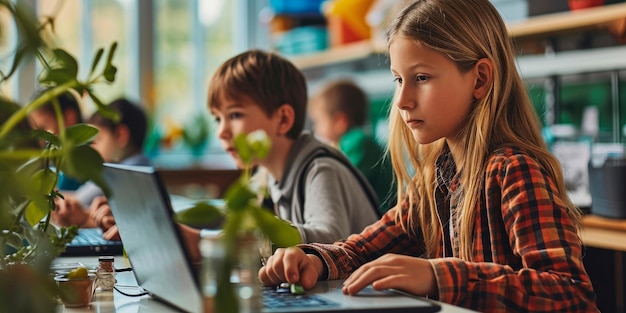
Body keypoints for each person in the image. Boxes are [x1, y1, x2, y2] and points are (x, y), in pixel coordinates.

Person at [257, 0, 599, 312]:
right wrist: (312, 258)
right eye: (398, 80)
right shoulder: (437, 177)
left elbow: (570, 294)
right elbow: (361, 250)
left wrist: (438, 276)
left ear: (479, 79)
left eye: (421, 77)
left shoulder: (514, 170)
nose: (403, 100)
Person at [206, 50, 380, 244]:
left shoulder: (320, 169)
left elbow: (330, 237)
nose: (221, 132)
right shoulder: (268, 175)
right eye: (217, 118)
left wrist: (257, 234)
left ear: (283, 119)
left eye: (235, 115)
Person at [51, 98, 151, 228]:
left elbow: (77, 201)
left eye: (97, 140)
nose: (92, 148)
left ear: (121, 135)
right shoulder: (141, 165)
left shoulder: (123, 173)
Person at [308, 79, 395, 213]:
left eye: (319, 121)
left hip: (382, 218)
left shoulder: (358, 143)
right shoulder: (351, 143)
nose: (316, 129)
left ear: (340, 122)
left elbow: (342, 184)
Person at [29, 89, 85, 190]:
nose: (38, 139)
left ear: (69, 118)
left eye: (43, 129)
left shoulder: (80, 164)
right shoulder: (49, 162)